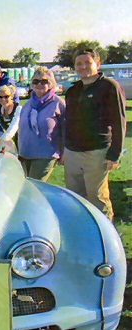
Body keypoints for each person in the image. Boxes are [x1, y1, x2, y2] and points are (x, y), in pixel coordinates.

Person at [64, 49, 126, 221]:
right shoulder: (73, 90)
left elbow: (119, 123)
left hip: (96, 152)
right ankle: (82, 233)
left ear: (97, 64)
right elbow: (68, 122)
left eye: (87, 62)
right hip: (72, 152)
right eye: (78, 63)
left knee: (98, 199)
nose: (83, 66)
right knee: (75, 198)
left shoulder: (109, 87)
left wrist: (114, 155)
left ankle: (106, 238)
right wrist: (65, 150)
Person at [18, 67, 66, 181]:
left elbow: (66, 130)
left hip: (45, 155)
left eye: (44, 81)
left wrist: (64, 153)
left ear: (51, 84)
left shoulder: (58, 103)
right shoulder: (28, 104)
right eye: (35, 82)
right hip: (25, 154)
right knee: (24, 188)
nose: (39, 84)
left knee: (34, 187)